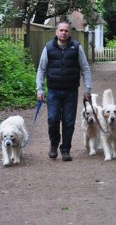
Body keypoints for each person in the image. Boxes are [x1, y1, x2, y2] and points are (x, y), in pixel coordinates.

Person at [36, 21, 92, 161]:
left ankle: (65, 149)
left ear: (69, 32)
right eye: (61, 30)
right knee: (53, 119)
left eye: (66, 30)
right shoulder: (48, 48)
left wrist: (88, 89)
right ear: (56, 32)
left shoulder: (77, 47)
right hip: (53, 91)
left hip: (71, 91)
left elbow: (85, 68)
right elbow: (41, 70)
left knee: (68, 122)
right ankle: (54, 145)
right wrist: (40, 89)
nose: (63, 33)